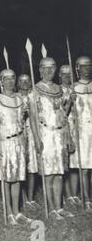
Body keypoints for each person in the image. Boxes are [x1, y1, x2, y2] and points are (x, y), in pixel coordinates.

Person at [29, 57, 75, 220]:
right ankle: (51, 209)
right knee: (48, 173)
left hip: (60, 134)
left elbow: (64, 115)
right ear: (40, 70)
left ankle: (59, 207)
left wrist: (68, 137)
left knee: (59, 172)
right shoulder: (34, 91)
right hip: (46, 135)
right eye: (45, 68)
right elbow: (33, 118)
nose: (48, 71)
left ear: (55, 70)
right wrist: (36, 139)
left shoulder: (60, 90)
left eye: (51, 68)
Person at [0, 70, 32, 225]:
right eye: (6, 79)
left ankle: (17, 212)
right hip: (4, 142)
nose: (10, 82)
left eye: (12, 78)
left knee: (17, 177)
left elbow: (23, 122)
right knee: (6, 178)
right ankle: (8, 212)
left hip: (18, 141)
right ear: (1, 81)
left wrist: (24, 141)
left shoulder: (20, 99)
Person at [69, 56, 92, 212]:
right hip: (82, 132)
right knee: (84, 167)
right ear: (77, 69)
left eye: (89, 66)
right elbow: (68, 115)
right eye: (83, 66)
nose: (87, 69)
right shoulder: (73, 88)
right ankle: (87, 199)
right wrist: (70, 101)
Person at [58, 65, 80, 206]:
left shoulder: (75, 88)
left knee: (76, 161)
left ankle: (75, 193)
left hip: (78, 127)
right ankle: (66, 194)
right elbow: (61, 113)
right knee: (65, 162)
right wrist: (70, 100)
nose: (67, 77)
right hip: (64, 128)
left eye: (69, 74)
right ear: (59, 75)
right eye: (64, 74)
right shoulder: (58, 90)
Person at [18, 74, 39, 208]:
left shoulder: (35, 96)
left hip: (32, 134)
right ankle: (22, 196)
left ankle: (31, 197)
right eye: (22, 81)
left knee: (32, 166)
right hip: (19, 134)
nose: (25, 83)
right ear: (17, 83)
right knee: (21, 166)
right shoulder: (15, 97)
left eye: (27, 80)